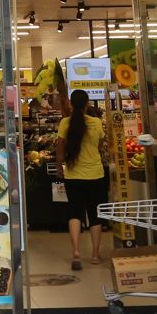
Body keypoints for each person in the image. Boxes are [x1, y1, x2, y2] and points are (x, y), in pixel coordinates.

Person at [54, 88, 108, 271]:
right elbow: (100, 146)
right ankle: (95, 255)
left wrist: (59, 166)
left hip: (73, 174)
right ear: (87, 104)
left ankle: (76, 251)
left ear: (70, 104)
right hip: (95, 175)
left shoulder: (65, 123)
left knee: (75, 213)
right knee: (95, 215)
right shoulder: (96, 123)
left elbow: (60, 147)